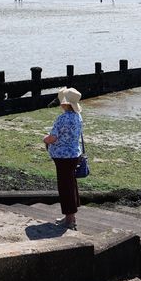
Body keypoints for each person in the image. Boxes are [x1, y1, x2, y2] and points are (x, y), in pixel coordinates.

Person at [43, 87, 83, 230]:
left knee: (65, 187)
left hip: (63, 157)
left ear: (65, 104)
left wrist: (45, 139)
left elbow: (53, 138)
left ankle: (70, 220)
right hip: (74, 155)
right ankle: (70, 217)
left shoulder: (63, 118)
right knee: (71, 185)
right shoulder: (78, 116)